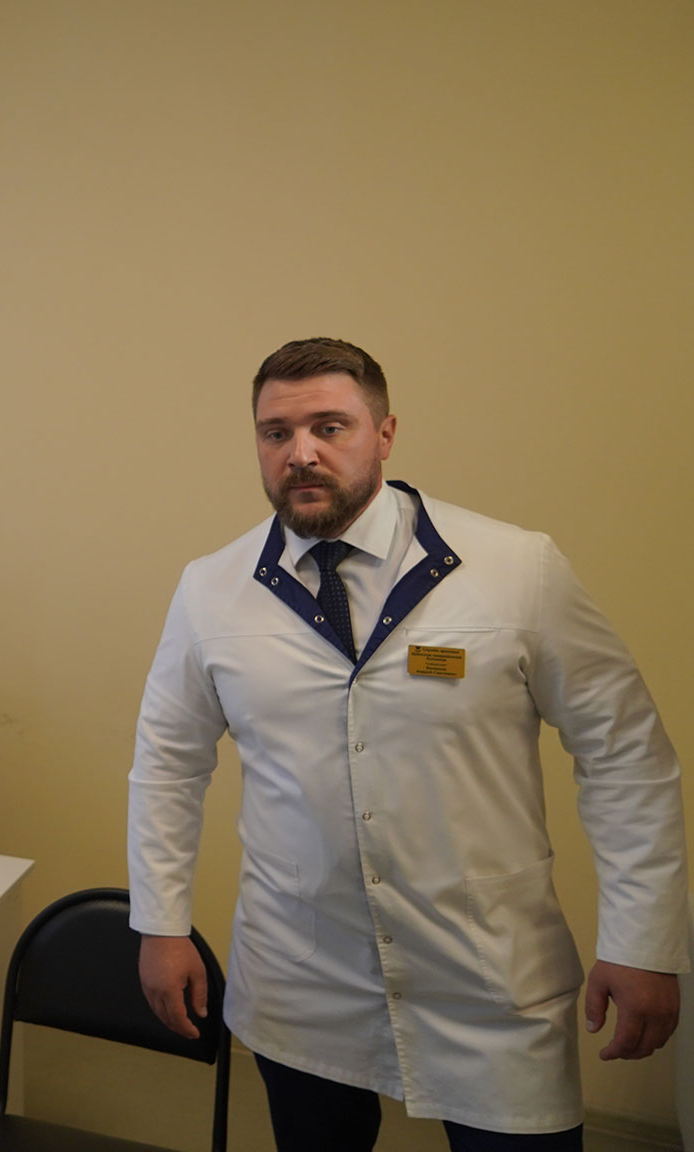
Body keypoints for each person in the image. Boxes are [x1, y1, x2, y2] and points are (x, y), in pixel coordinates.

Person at [126, 337, 688, 1150]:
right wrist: (161, 922)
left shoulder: (515, 568)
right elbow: (168, 766)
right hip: (298, 976)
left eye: (330, 426)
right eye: (276, 433)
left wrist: (643, 944)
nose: (300, 452)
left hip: (488, 979)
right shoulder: (211, 588)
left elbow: (626, 755)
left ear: (385, 434)